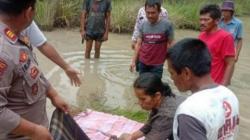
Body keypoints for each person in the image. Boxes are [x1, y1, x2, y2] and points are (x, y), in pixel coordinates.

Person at [0, 0, 69, 139]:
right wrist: (34, 131)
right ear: (28, 13)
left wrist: (53, 94)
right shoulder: (3, 52)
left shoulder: (16, 35)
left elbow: (31, 70)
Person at [166, 38, 239, 140]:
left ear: (186, 73)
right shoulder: (230, 95)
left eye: (172, 73)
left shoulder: (189, 111)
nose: (171, 78)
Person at [120, 73, 182, 140]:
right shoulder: (162, 100)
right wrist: (132, 137)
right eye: (138, 99)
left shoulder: (166, 115)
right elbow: (150, 125)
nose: (139, 103)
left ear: (157, 96)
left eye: (143, 99)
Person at [22, 21, 81, 86]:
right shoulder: (26, 19)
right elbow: (43, 45)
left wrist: (66, 67)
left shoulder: (28, 23)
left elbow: (43, 45)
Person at [130, 0, 174, 78]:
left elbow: (171, 44)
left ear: (159, 11)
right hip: (143, 62)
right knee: (142, 86)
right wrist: (133, 61)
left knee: (155, 87)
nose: (150, 15)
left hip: (157, 64)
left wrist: (170, 64)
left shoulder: (167, 25)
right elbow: (139, 44)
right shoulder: (143, 24)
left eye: (153, 13)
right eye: (148, 13)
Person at [198, 4, 235, 86]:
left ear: (217, 21)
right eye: (201, 19)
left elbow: (230, 63)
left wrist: (224, 86)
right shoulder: (201, 36)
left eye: (206, 20)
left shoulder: (226, 37)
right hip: (201, 82)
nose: (202, 22)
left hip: (215, 84)